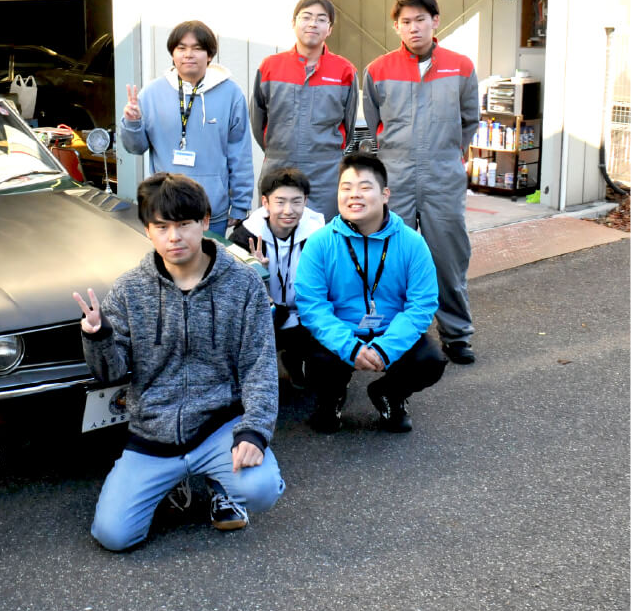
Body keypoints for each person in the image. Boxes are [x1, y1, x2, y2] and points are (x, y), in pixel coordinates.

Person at [73, 172, 284, 552]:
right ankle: (172, 480)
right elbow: (110, 373)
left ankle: (222, 487)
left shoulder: (243, 283)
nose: (174, 237)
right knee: (113, 535)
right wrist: (97, 336)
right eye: (162, 226)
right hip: (153, 434)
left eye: (184, 224)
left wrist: (254, 431)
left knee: (261, 489)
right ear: (148, 230)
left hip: (219, 426)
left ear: (205, 221)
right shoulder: (129, 289)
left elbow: (260, 366)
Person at [363, 0, 480, 364]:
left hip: (442, 178)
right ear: (396, 27)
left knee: (448, 259)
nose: (413, 28)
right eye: (405, 22)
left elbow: (469, 121)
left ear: (435, 21)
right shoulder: (378, 70)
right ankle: (389, 336)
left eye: (420, 20)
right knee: (389, 259)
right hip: (395, 177)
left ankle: (456, 335)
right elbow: (374, 123)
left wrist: (446, 156)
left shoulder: (460, 67)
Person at [295, 152, 448, 434]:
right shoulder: (319, 243)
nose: (354, 195)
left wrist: (385, 349)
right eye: (346, 188)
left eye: (365, 187)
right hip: (342, 331)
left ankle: (389, 393)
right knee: (315, 358)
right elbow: (312, 307)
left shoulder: (412, 243)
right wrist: (350, 348)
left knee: (430, 360)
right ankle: (331, 399)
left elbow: (422, 305)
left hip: (391, 330)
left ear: (385, 194)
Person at [119, 20, 254, 237]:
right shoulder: (152, 93)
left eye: (197, 48)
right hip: (165, 208)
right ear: (172, 54)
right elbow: (135, 148)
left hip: (212, 210)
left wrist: (240, 204)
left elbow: (240, 153)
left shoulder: (231, 93)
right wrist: (132, 122)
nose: (188, 54)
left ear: (209, 55)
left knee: (211, 258)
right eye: (181, 48)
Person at [250, 0, 358, 220]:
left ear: (329, 29)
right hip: (278, 165)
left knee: (323, 231)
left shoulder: (344, 70)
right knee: (276, 229)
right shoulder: (270, 67)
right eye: (306, 17)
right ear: (293, 23)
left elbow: (348, 124)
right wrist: (278, 148)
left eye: (321, 19)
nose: (312, 24)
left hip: (325, 172)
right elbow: (258, 118)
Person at [232, 167, 325, 387]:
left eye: (296, 201)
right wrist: (256, 272)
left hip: (304, 313)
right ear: (265, 202)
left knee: (326, 353)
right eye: (280, 202)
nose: (288, 210)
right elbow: (231, 293)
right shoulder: (245, 237)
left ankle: (296, 361)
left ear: (305, 201)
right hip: (263, 315)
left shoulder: (319, 236)